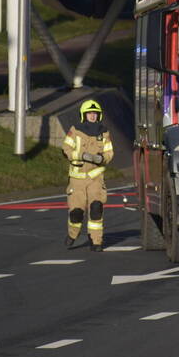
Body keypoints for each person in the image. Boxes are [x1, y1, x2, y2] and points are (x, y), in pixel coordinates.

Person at [62, 99, 114, 251]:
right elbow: (66, 149)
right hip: (77, 179)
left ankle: (96, 240)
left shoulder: (104, 133)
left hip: (95, 178)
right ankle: (73, 234)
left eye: (95, 114)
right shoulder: (75, 130)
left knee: (96, 208)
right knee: (76, 212)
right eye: (90, 113)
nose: (93, 116)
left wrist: (102, 158)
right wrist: (81, 155)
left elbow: (110, 152)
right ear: (84, 115)